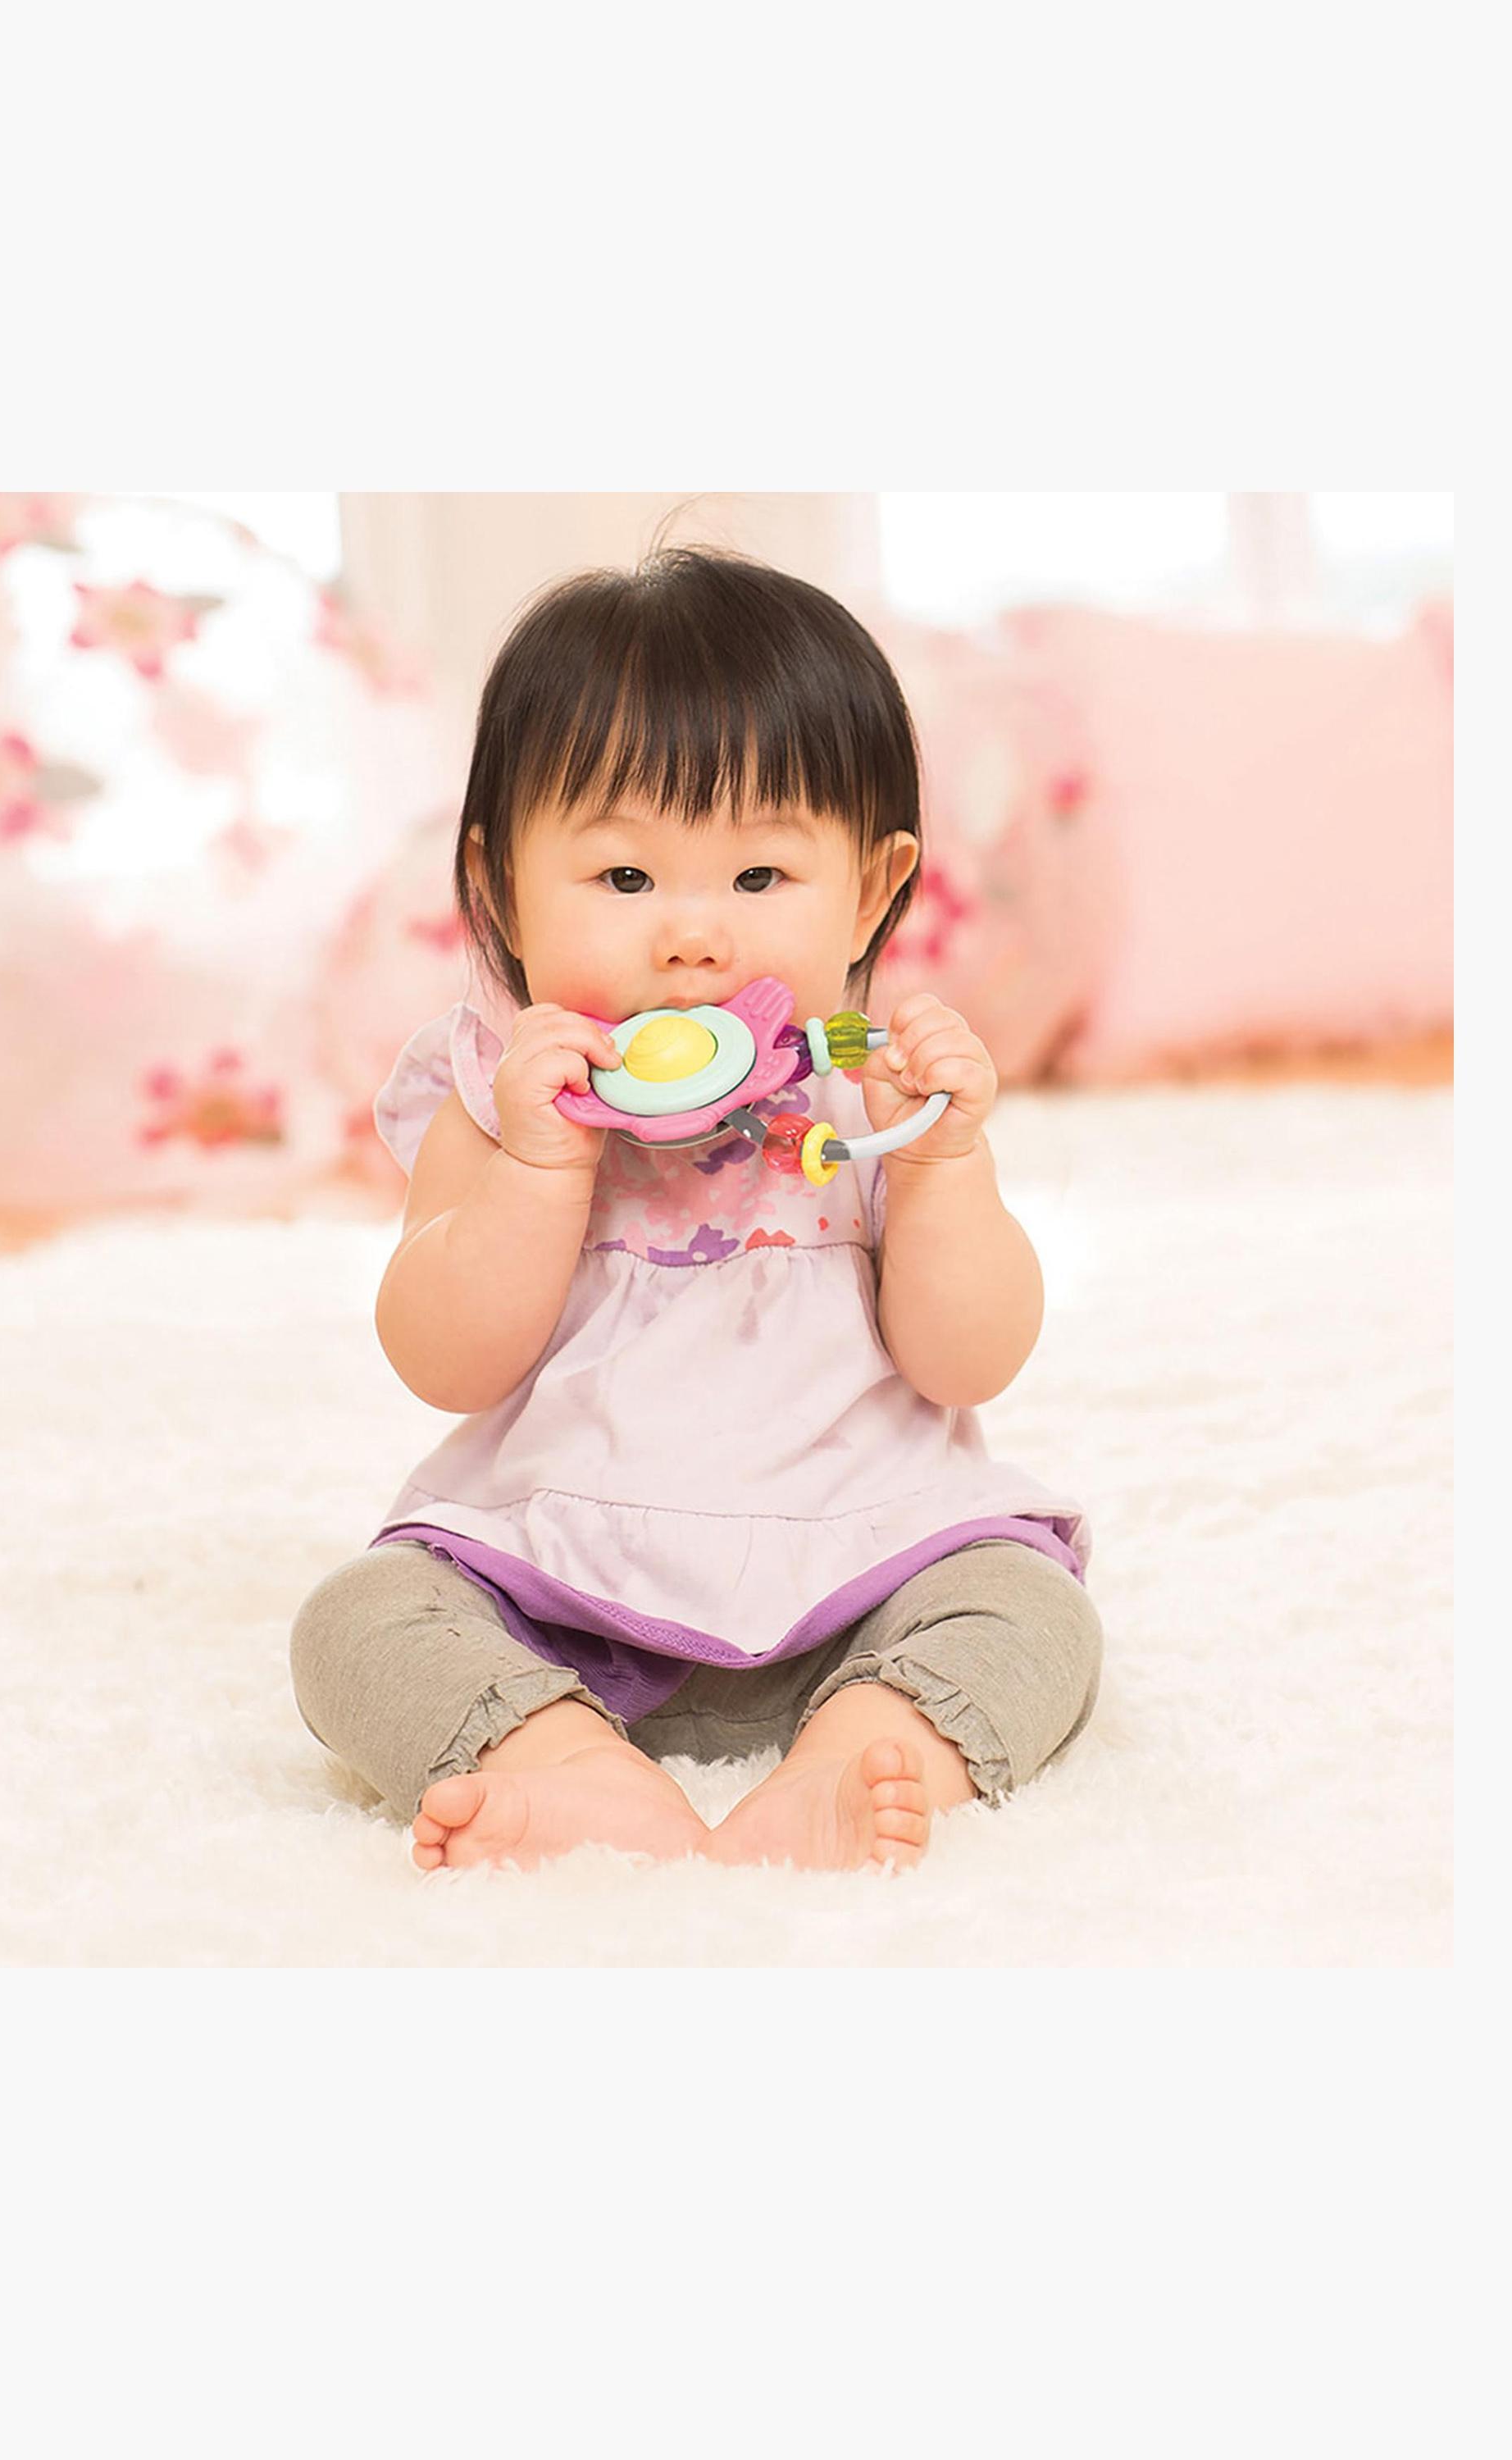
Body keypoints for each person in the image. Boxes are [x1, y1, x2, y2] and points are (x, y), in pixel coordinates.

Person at [290, 544, 1103, 1874]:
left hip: (866, 1557)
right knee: (357, 1623)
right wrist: (539, 1171)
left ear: (874, 888)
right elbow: (443, 1362)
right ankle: (564, 1764)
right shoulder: (498, 1097)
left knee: (1030, 1608)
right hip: (557, 1574)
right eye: (624, 880)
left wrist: (944, 1165)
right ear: (500, 889)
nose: (693, 938)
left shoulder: (875, 1097)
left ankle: (862, 1752)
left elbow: (969, 1361)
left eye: (759, 879)